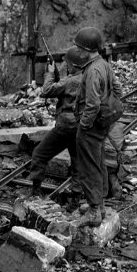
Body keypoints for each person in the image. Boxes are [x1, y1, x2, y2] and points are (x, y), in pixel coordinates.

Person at [71, 27, 123, 225]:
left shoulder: (92, 70)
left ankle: (94, 210)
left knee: (88, 166)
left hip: (91, 125)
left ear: (86, 49)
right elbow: (117, 88)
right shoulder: (104, 63)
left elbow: (92, 104)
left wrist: (84, 125)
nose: (78, 51)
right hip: (103, 123)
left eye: (79, 47)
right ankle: (99, 205)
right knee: (98, 160)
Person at [29, 46, 83, 195]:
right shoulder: (87, 78)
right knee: (77, 162)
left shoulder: (69, 81)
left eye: (68, 64)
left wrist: (50, 73)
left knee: (39, 154)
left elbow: (46, 91)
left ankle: (36, 191)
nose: (67, 66)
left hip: (65, 125)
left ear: (74, 65)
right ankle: (75, 199)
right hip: (80, 126)